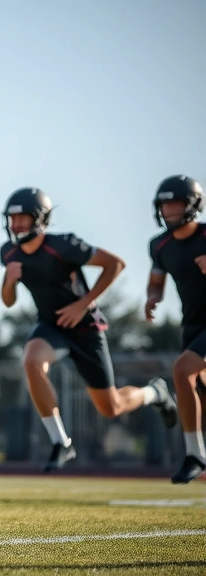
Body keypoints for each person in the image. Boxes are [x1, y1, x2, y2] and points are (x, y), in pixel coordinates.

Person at [0, 187, 176, 473]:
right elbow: (8, 301)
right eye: (12, 218)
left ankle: (154, 393)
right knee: (32, 360)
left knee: (111, 406)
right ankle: (61, 442)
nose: (16, 224)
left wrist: (83, 304)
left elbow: (115, 264)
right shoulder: (7, 252)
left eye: (23, 218)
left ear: (40, 219)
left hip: (85, 328)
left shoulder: (62, 245)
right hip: (51, 326)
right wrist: (8, 281)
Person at [145, 174, 206, 483]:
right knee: (198, 390)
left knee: (182, 371)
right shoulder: (159, 245)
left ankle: (195, 455)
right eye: (165, 206)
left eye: (175, 205)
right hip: (193, 324)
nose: (169, 212)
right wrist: (152, 299)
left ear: (193, 205)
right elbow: (156, 282)